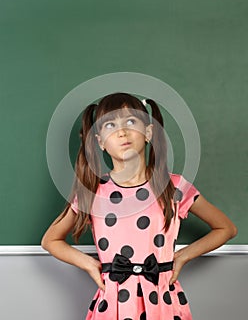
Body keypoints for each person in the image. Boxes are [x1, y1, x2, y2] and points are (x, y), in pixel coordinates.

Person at [41, 92, 237, 320]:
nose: (122, 132)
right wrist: (88, 264)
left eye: (131, 121)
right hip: (114, 303)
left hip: (163, 300)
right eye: (110, 125)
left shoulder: (173, 185)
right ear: (100, 142)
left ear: (148, 132)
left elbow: (226, 228)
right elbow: (50, 240)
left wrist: (182, 256)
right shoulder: (93, 191)